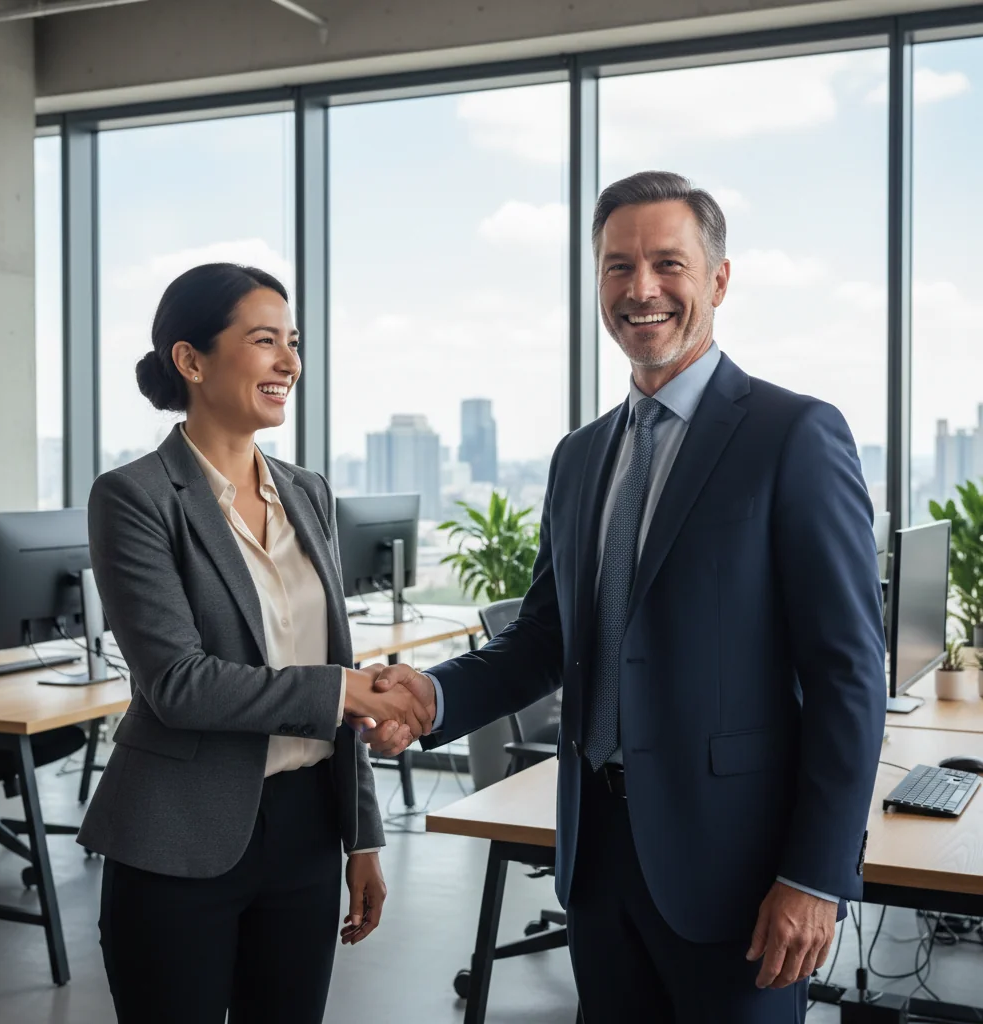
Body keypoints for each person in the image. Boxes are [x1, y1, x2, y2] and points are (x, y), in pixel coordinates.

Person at [362, 172, 886, 1023]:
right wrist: (435, 696)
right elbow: (544, 638)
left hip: (740, 873)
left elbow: (849, 676)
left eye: (667, 264)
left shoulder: (794, 436)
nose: (641, 290)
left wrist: (816, 874)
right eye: (617, 267)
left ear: (718, 280)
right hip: (598, 859)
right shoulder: (579, 457)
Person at [78, 263, 433, 1024]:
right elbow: (178, 682)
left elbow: (333, 661)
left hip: (305, 829)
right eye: (264, 340)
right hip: (179, 835)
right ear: (191, 360)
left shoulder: (307, 492)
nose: (289, 363)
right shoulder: (134, 498)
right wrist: (343, 691)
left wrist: (361, 839)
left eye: (293, 343)